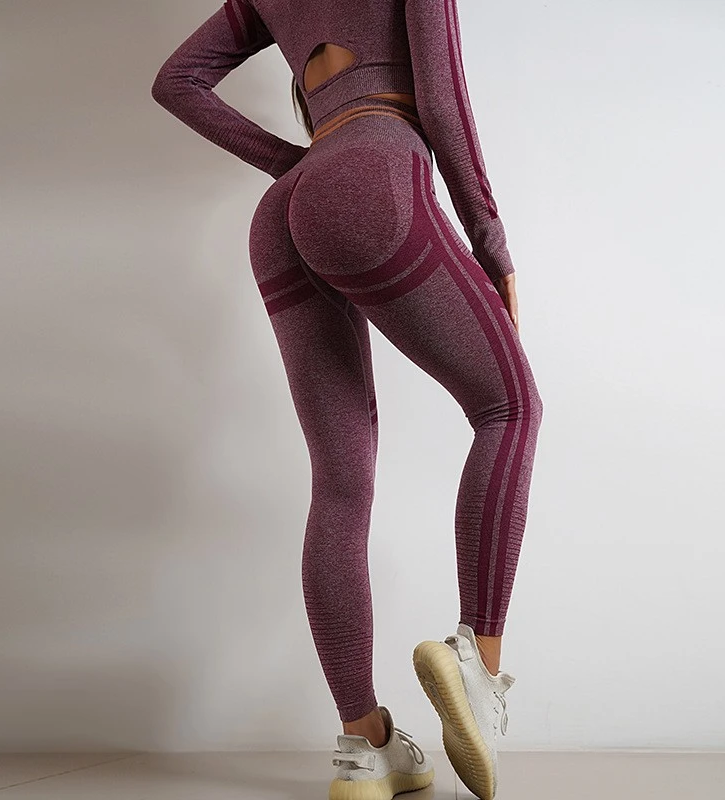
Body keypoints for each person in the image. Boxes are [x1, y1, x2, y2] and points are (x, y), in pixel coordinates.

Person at [151, 2, 543, 798]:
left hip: (285, 211)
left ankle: (367, 749)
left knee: (339, 480)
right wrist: (491, 243)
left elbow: (176, 81)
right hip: (371, 176)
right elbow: (442, 102)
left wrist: (292, 163)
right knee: (509, 409)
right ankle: (477, 665)